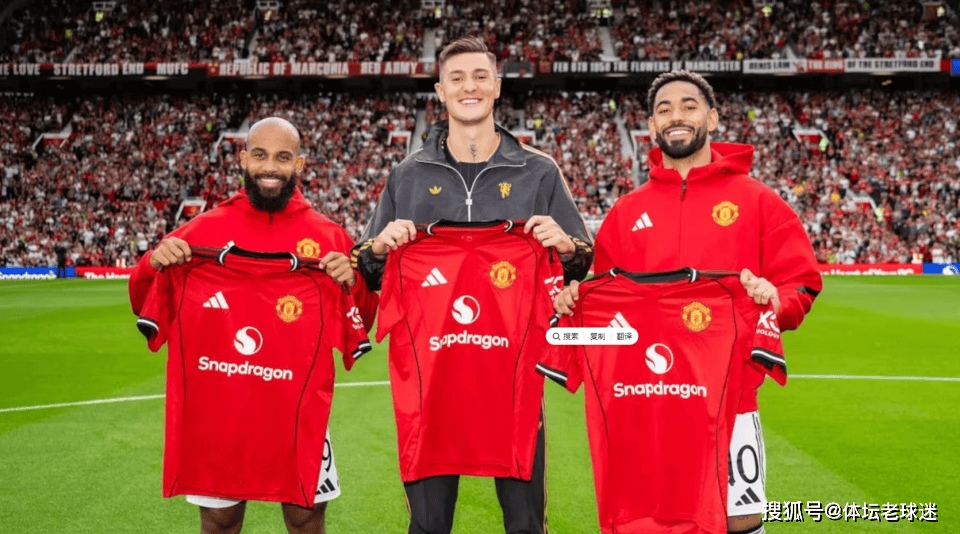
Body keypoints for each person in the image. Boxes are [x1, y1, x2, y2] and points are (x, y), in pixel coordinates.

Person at [555, 70, 823, 534]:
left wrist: (773, 302)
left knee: (740, 521)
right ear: (652, 127)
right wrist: (575, 300)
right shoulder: (626, 212)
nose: (676, 116)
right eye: (664, 110)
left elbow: (801, 283)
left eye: (689, 106)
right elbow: (610, 309)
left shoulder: (758, 201)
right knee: (650, 519)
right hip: (644, 399)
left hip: (729, 398)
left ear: (712, 118)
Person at [351, 37, 593, 534]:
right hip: (431, 385)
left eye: (481, 76)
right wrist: (378, 250)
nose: (470, 87)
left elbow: (580, 265)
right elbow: (368, 273)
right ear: (440, 91)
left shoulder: (538, 170)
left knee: (526, 525)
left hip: (512, 381)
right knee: (428, 526)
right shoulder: (407, 175)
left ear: (497, 86)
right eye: (457, 78)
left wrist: (567, 248)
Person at [128, 117, 377, 534]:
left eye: (282, 157)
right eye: (260, 155)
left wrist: (354, 281)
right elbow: (146, 301)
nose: (270, 167)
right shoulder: (202, 230)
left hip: (297, 410)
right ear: (243, 159)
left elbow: (359, 321)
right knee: (220, 521)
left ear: (299, 164)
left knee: (305, 517)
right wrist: (153, 263)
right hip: (220, 410)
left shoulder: (330, 237)